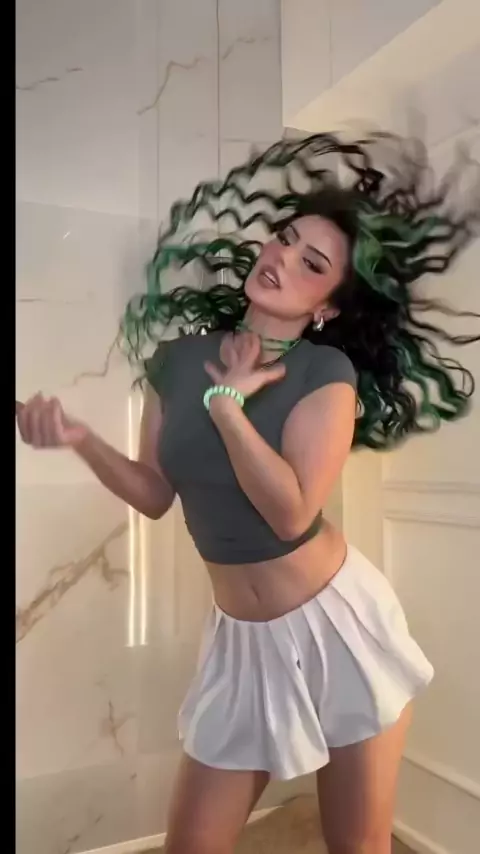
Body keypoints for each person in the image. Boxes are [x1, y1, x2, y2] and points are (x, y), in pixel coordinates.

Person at [16, 132, 480, 854]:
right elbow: (154, 494)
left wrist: (229, 406)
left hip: (338, 629)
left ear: (327, 307)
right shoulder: (177, 360)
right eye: (285, 239)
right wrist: (80, 438)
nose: (282, 259)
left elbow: (290, 513)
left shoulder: (325, 374)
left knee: (357, 846)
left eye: (311, 264)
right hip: (242, 642)